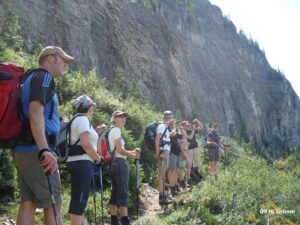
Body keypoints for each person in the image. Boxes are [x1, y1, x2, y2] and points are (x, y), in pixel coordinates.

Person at [13, 46, 74, 225]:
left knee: (28, 202)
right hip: (37, 149)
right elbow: (35, 111)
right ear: (50, 59)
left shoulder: (29, 78)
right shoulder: (44, 77)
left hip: (22, 148)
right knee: (54, 204)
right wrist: (44, 149)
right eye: (63, 60)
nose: (66, 65)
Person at [66, 95, 102, 225]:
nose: (93, 108)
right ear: (87, 107)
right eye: (92, 106)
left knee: (79, 195)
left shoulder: (78, 120)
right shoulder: (82, 120)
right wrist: (97, 157)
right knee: (80, 196)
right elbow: (86, 144)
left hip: (78, 161)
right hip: (81, 162)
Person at [108, 110, 141, 225]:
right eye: (120, 116)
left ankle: (114, 219)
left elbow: (118, 151)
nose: (123, 119)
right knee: (122, 190)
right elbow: (120, 150)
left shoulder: (112, 130)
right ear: (114, 119)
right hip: (120, 163)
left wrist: (133, 152)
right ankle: (125, 219)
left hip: (114, 163)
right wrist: (133, 155)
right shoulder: (116, 130)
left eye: (124, 117)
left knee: (115, 191)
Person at [155, 110, 175, 205]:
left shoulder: (165, 127)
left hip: (164, 151)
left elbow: (165, 137)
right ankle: (162, 197)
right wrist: (158, 152)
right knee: (162, 175)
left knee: (162, 174)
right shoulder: (162, 126)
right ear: (170, 118)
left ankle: (163, 196)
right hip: (163, 151)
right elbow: (157, 139)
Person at [182, 119, 203, 185]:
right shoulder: (184, 132)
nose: (188, 126)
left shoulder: (192, 130)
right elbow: (189, 138)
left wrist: (197, 121)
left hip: (195, 147)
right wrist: (193, 130)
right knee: (189, 164)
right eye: (187, 125)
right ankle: (189, 179)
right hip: (189, 149)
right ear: (184, 126)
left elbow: (201, 127)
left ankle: (197, 177)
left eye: (188, 125)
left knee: (196, 163)